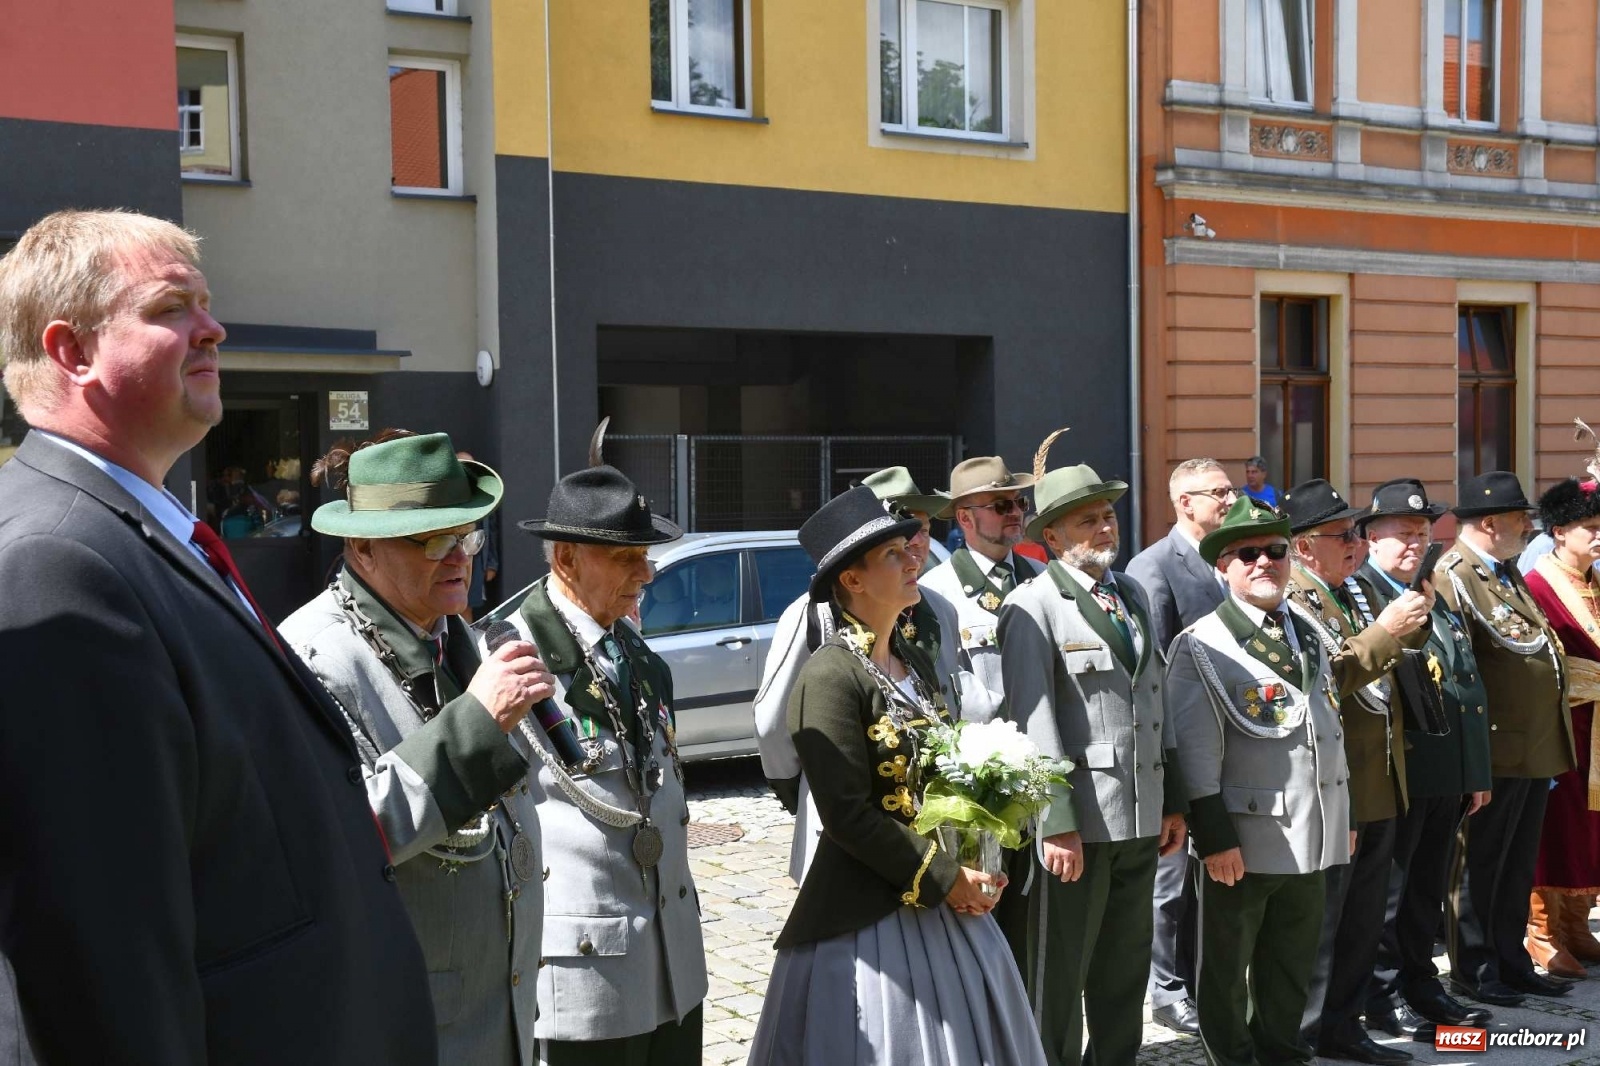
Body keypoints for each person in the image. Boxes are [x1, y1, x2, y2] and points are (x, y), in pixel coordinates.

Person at [0, 209, 435, 1063]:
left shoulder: (139, 535)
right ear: (71, 352)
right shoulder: (55, 562)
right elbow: (101, 969)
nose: (214, 327)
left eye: (206, 302)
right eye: (172, 307)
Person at [746, 486, 1045, 1066]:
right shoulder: (830, 675)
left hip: (945, 900)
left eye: (909, 548)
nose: (914, 559)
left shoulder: (915, 663)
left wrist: (976, 851)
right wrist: (943, 877)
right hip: (866, 914)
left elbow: (939, 779)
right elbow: (848, 815)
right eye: (892, 555)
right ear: (851, 581)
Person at [279, 430, 553, 1064]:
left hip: (499, 1004)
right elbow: (343, 830)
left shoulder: (453, 635)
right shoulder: (315, 656)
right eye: (431, 540)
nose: (459, 558)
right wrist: (480, 722)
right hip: (413, 1024)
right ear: (362, 546)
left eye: (467, 536)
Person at [492, 465, 706, 1064]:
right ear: (565, 559)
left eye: (645, 555)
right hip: (586, 976)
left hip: (672, 961)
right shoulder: (511, 659)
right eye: (625, 558)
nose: (646, 572)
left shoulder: (632, 647)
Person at [998, 434, 1187, 1066]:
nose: (1105, 526)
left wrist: (1172, 798)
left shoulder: (1130, 593)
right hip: (1079, 820)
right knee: (1060, 974)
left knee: (1124, 965)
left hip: (1138, 814)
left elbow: (1155, 702)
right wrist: (1054, 822)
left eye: (1107, 514)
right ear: (1051, 536)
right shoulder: (1033, 606)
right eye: (1088, 519)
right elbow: (1034, 722)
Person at [1165, 496, 1351, 1066]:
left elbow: (1327, 729)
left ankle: (1282, 1052)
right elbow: (1193, 753)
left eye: (1275, 551)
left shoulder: (1307, 632)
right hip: (1244, 839)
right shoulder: (1201, 642)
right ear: (1224, 567)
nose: (1264, 563)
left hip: (1313, 828)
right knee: (1225, 970)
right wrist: (1215, 838)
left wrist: (1340, 817)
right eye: (1247, 554)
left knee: (1292, 963)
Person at [1280, 479, 1431, 1065]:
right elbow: (1320, 683)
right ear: (1303, 547)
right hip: (1333, 787)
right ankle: (1310, 1029)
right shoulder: (1293, 601)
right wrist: (1386, 632)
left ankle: (1343, 1024)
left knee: (1366, 919)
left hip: (1377, 777)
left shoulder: (1349, 594)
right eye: (1341, 534)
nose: (1356, 544)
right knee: (1327, 923)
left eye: (1356, 533)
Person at [754, 466, 964, 883]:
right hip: (852, 807)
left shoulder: (938, 607)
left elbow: (949, 696)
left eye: (921, 531)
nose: (916, 546)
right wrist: (803, 790)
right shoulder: (814, 614)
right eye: (900, 540)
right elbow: (774, 718)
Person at [1357, 480, 1491, 1037]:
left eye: (1420, 534)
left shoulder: (1430, 591)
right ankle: (1383, 993)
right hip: (1401, 773)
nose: (1414, 544)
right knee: (1391, 895)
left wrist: (1474, 771)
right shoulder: (1366, 598)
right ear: (1369, 539)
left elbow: (1465, 683)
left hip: (1443, 772)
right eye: (1400, 535)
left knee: (1425, 891)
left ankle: (1420, 980)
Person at [1441, 471, 1577, 1005]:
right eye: (1521, 517)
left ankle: (1509, 957)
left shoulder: (1503, 569)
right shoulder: (1455, 574)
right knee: (1480, 864)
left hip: (1531, 745)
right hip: (1495, 746)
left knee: (1517, 862)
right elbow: (1457, 669)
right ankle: (1473, 969)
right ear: (1491, 522)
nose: (1529, 525)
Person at [1126, 456, 1236, 1035]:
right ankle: (1166, 990)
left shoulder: (1229, 560)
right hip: (1177, 747)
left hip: (1229, 744)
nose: (1227, 499)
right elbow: (1155, 667)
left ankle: (1197, 979)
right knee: (1169, 884)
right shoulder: (1154, 568)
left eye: (1229, 489)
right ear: (1183, 503)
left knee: (1206, 876)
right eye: (1215, 492)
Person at [1522, 476, 1600, 979]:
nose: (1599, 536)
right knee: (1557, 823)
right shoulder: (1536, 587)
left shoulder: (1595, 582)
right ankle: (1542, 932)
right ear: (1558, 532)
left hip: (1597, 725)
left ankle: (1576, 925)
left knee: (1592, 824)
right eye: (1589, 528)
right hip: (1563, 722)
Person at [920, 455, 1044, 725]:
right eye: (1001, 505)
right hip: (992, 754)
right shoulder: (936, 591)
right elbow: (949, 683)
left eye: (1020, 502)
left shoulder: (1044, 576)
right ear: (965, 518)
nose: (1015, 512)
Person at [456, 449, 501, 621]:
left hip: (476, 560)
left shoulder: (483, 497)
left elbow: (491, 532)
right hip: (452, 557)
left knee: (468, 604)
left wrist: (491, 564)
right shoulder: (447, 498)